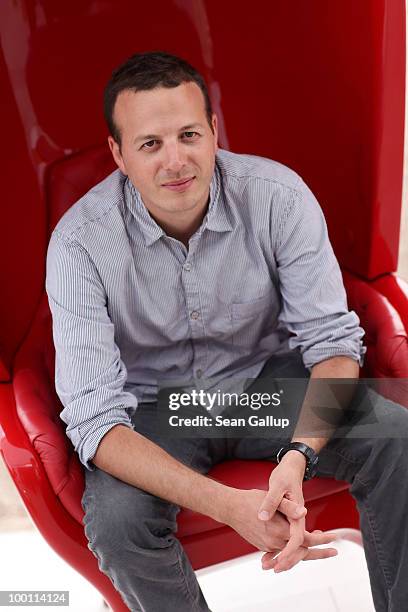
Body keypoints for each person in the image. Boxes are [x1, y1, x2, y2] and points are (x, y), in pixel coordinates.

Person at [46, 51, 408, 612]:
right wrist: (228, 506)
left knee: (399, 438)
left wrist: (298, 458)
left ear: (214, 131)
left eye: (189, 134)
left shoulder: (277, 194)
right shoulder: (78, 246)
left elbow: (333, 346)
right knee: (118, 523)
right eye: (150, 144)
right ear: (117, 154)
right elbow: (96, 422)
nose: (176, 161)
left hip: (265, 385)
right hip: (156, 409)